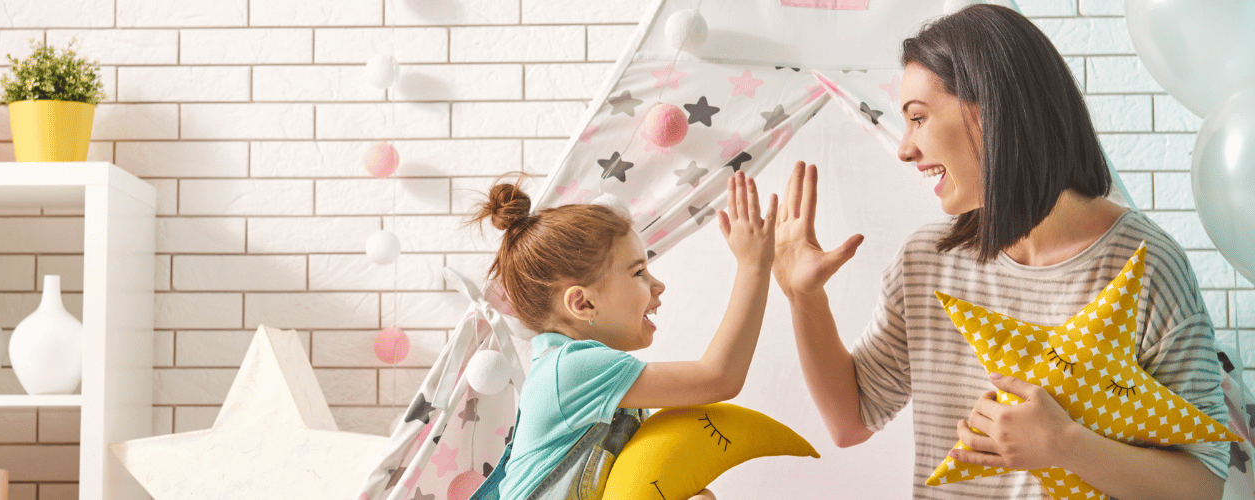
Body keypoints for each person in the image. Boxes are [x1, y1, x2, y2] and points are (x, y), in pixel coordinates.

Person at [771, 5, 1230, 499]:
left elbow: (1204, 484)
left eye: (918, 119)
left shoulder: (1148, 265)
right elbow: (851, 419)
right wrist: (803, 298)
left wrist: (1065, 444)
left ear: (991, 109)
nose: (904, 148)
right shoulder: (925, 262)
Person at [477, 171, 775, 500]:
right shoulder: (572, 371)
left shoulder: (601, 382)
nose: (658, 286)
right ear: (583, 303)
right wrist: (754, 266)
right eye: (638, 272)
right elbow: (719, 378)